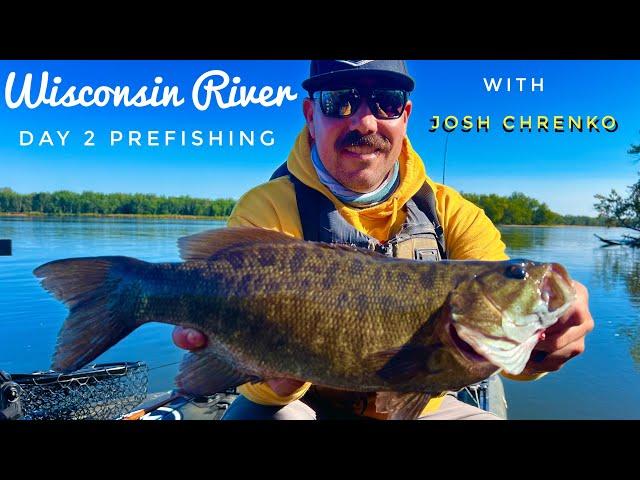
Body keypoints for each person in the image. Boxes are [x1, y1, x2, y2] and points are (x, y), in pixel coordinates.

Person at [172, 60, 594, 420]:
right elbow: (262, 390)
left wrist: (544, 348)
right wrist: (273, 376)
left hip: (426, 406)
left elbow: (505, 352)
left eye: (386, 102)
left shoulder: (456, 215)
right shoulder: (266, 207)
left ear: (405, 116)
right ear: (310, 117)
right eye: (339, 101)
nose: (365, 121)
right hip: (303, 400)